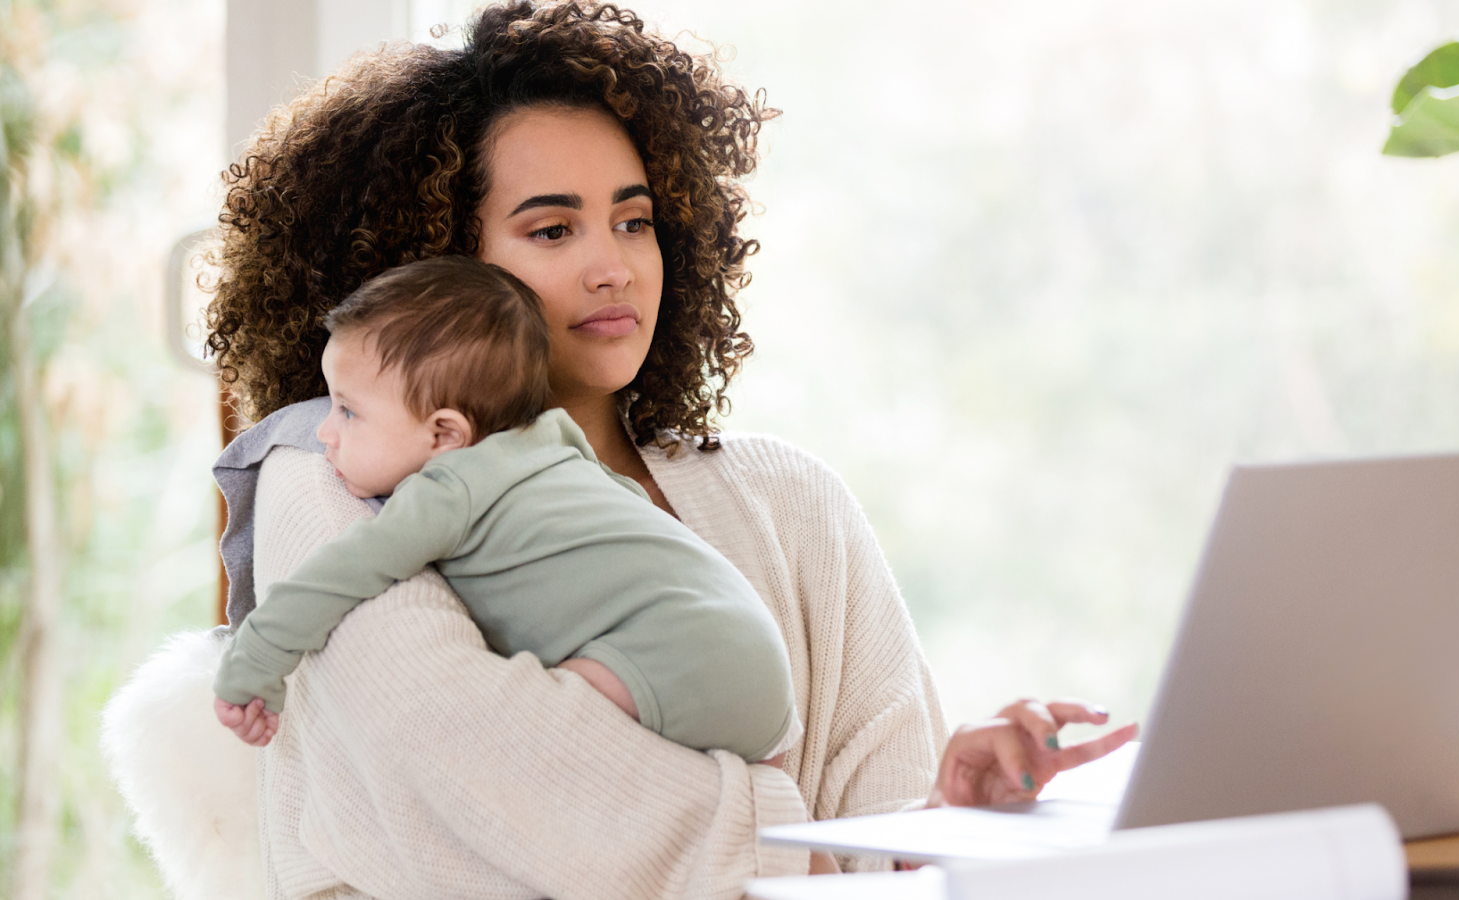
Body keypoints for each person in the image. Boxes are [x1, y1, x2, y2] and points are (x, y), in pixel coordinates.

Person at [188, 1, 1137, 895]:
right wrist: (797, 848)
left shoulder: (794, 500)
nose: (616, 264)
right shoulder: (333, 473)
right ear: (436, 264)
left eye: (635, 219)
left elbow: (872, 859)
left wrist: (946, 823)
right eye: (553, 228)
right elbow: (497, 770)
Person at [212, 255, 799, 767]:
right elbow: (636, 510)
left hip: (667, 659)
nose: (324, 431)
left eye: (347, 411)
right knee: (777, 837)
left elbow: (333, 578)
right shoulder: (561, 446)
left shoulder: (447, 490)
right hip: (758, 661)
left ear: (445, 434)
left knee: (527, 740)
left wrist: (253, 664)